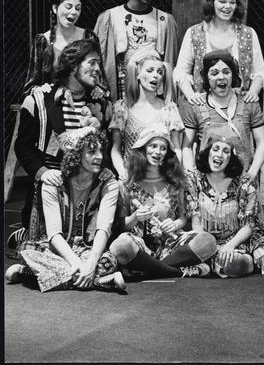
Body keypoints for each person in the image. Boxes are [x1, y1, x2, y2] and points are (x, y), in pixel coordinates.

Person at [8, 39, 112, 250]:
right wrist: (43, 172)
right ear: (73, 66)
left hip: (87, 194)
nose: (97, 69)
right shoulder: (39, 100)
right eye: (91, 63)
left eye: (98, 63)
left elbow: (102, 147)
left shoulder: (99, 103)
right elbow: (23, 146)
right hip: (53, 189)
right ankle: (28, 233)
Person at [5, 127, 125, 293]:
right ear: (76, 155)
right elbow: (54, 234)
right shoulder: (53, 183)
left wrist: (91, 263)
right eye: (92, 152)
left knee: (108, 260)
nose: (99, 156)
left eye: (100, 151)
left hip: (88, 250)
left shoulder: (108, 183)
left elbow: (104, 228)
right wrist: (78, 265)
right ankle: (99, 281)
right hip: (58, 251)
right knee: (27, 250)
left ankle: (29, 274)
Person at [185, 135, 264, 278]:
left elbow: (248, 227)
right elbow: (196, 224)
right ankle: (243, 263)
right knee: (226, 262)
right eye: (216, 149)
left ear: (231, 157)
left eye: (226, 151)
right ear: (208, 152)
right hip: (208, 241)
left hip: (242, 239)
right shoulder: (195, 179)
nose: (219, 155)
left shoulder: (244, 184)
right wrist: (209, 246)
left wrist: (230, 246)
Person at [109, 125, 217, 279]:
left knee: (208, 241)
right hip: (140, 247)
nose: (158, 152)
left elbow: (182, 218)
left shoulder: (175, 181)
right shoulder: (126, 183)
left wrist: (174, 225)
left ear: (167, 153)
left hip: (170, 246)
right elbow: (120, 226)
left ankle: (148, 270)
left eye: (163, 148)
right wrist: (135, 217)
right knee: (121, 246)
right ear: (143, 149)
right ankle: (177, 271)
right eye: (153, 146)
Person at [173, 0, 264, 105]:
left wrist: (253, 92)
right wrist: (191, 95)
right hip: (203, 107)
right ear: (211, 3)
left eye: (232, 2)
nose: (227, 6)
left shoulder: (248, 33)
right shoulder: (194, 33)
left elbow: (259, 72)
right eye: (222, 1)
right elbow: (181, 72)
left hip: (239, 107)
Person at [94, 0, 178, 102]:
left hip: (153, 87)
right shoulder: (111, 16)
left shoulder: (165, 20)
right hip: (123, 86)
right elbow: (98, 56)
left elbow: (171, 61)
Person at [181, 50, 264, 183]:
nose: (221, 77)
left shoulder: (249, 103)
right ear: (206, 77)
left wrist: (252, 173)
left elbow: (262, 143)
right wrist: (192, 176)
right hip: (206, 184)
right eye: (214, 73)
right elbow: (186, 146)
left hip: (243, 181)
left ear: (233, 75)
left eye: (226, 72)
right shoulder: (196, 106)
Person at [110, 48, 184, 179]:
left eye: (159, 72)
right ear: (137, 73)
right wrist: (122, 173)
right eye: (150, 70)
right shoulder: (121, 108)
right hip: (132, 178)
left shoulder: (169, 108)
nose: (155, 75)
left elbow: (176, 147)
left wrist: (173, 175)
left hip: (161, 179)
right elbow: (116, 148)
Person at [23, 0, 104, 95]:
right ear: (55, 8)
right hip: (54, 101)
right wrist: (38, 89)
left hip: (84, 101)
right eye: (68, 7)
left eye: (78, 8)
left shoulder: (89, 36)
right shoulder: (43, 40)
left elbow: (100, 76)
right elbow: (31, 84)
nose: (74, 12)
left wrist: (98, 88)